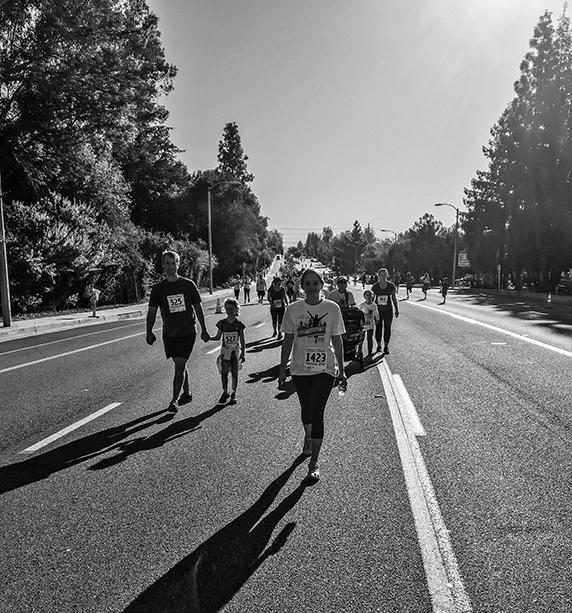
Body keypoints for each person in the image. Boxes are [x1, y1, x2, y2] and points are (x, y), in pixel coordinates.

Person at [278, 268, 346, 482]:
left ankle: (314, 462)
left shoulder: (332, 308)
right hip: (299, 368)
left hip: (324, 368)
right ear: (302, 286)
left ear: (321, 284)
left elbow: (337, 340)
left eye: (315, 283)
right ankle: (308, 436)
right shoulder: (293, 309)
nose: (311, 287)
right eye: (307, 283)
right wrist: (282, 368)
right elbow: (288, 340)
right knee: (306, 409)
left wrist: (341, 369)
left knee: (317, 411)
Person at [146, 250, 210, 412]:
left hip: (188, 331)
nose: (170, 266)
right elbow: (152, 311)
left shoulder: (188, 285)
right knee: (179, 363)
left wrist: (204, 329)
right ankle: (187, 392)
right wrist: (149, 331)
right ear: (163, 266)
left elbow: (198, 308)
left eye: (173, 263)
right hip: (170, 333)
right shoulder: (158, 289)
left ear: (178, 265)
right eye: (167, 263)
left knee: (180, 364)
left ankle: (173, 400)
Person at [209, 297, 246, 404]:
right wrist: (208, 337)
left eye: (231, 308)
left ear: (236, 309)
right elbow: (217, 337)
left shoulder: (239, 324)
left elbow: (243, 340)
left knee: (235, 373)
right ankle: (225, 391)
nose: (229, 310)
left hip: (235, 352)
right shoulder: (222, 323)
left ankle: (234, 393)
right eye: (227, 308)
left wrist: (243, 353)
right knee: (224, 373)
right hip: (225, 352)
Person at [371, 267, 399, 354]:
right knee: (378, 328)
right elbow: (372, 299)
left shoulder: (391, 285)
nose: (383, 277)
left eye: (385, 275)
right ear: (378, 276)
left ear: (387, 275)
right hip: (378, 311)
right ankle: (379, 345)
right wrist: (370, 310)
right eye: (381, 275)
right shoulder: (375, 286)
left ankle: (386, 346)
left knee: (387, 328)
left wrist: (396, 309)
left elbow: (394, 298)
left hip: (388, 310)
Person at [358, 289, 379, 357]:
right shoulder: (361, 305)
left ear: (372, 296)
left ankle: (370, 352)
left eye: (370, 295)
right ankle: (359, 350)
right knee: (361, 339)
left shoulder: (374, 305)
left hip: (370, 324)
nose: (369, 296)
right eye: (367, 295)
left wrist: (377, 320)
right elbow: (359, 315)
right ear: (364, 296)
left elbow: (376, 313)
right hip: (363, 325)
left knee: (369, 338)